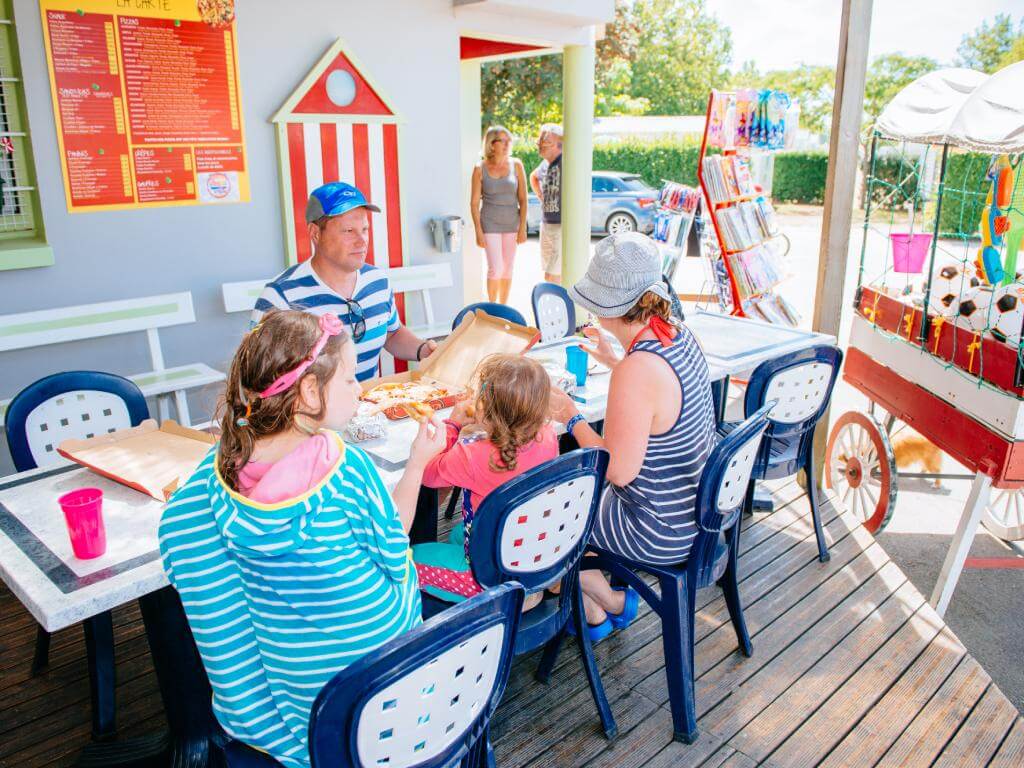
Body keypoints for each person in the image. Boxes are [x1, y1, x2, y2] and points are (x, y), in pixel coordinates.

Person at [159, 310, 446, 768]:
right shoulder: (348, 471)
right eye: (352, 378)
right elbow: (396, 550)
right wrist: (417, 463)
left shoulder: (203, 492)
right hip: (380, 701)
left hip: (285, 715)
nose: (359, 389)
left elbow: (184, 546)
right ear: (309, 393)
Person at [548, 232, 716, 639]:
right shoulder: (676, 333)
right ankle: (591, 612)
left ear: (609, 307)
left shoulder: (637, 369)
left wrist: (570, 417)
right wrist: (616, 357)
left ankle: (612, 603)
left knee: (544, 521)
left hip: (658, 528)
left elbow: (617, 470)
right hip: (698, 509)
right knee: (566, 500)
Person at [253, 182, 437, 383]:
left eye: (364, 229)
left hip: (372, 408)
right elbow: (259, 376)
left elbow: (391, 335)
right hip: (314, 413)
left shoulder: (378, 281)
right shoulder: (280, 296)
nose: (362, 240)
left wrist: (423, 350)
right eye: (348, 231)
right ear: (315, 233)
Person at [412, 354, 556, 612]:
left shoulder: (472, 455)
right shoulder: (548, 436)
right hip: (536, 560)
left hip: (491, 581)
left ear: (485, 410)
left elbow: (428, 474)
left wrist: (453, 425)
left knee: (409, 560)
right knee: (457, 534)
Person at [470, 126, 528, 304]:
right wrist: (478, 231)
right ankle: (492, 307)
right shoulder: (480, 168)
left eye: (508, 140)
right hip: (490, 224)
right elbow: (473, 203)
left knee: (507, 269)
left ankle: (504, 307)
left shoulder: (516, 165)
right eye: (502, 140)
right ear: (491, 144)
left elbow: (524, 199)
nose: (507, 144)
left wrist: (522, 228)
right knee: (496, 268)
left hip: (512, 224)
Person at [537, 123, 563, 283]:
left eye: (544, 140)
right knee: (548, 271)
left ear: (559, 144)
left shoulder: (565, 163)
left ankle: (556, 306)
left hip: (561, 227)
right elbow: (533, 176)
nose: (539, 144)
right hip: (546, 224)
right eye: (539, 140)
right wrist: (542, 196)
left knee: (552, 275)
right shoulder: (545, 164)